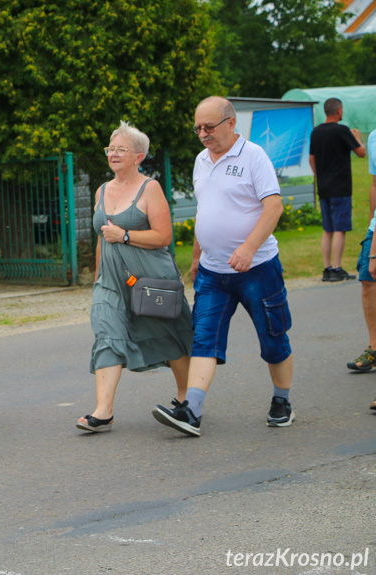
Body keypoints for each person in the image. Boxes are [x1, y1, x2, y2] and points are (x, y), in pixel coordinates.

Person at [152, 96, 295, 437]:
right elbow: (207, 211)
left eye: (209, 127)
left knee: (273, 337)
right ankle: (192, 412)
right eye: (198, 128)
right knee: (204, 338)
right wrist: (198, 256)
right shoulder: (202, 160)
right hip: (214, 273)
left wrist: (248, 248)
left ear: (231, 123)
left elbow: (273, 208)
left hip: (257, 268)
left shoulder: (253, 157)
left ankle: (281, 400)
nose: (203, 134)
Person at [75, 122, 192, 433]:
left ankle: (186, 400)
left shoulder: (149, 188)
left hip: (150, 279)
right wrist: (100, 278)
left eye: (120, 149)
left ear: (139, 156)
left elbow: (164, 237)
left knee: (170, 337)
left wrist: (124, 235)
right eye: (110, 149)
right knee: (106, 335)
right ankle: (103, 411)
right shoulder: (102, 190)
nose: (113, 154)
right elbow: (102, 238)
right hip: (111, 282)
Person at [309, 97, 366, 282]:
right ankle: (337, 267)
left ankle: (326, 269)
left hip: (324, 186)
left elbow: (312, 159)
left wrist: (320, 178)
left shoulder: (316, 132)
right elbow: (361, 152)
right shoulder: (342, 131)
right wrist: (356, 137)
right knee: (340, 228)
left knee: (328, 229)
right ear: (339, 111)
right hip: (340, 187)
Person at [350, 131, 376, 380]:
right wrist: (372, 224)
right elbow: (375, 183)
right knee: (368, 279)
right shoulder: (374, 137)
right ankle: (374, 347)